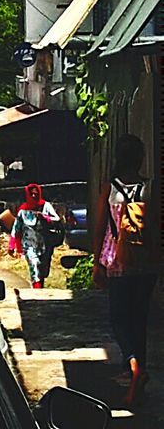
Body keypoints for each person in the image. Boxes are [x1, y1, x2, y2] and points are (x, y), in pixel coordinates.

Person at [92, 134, 158, 408]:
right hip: (146, 261)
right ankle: (136, 371)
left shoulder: (110, 189)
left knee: (119, 318)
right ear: (140, 158)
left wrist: (97, 261)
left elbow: (97, 227)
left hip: (118, 260)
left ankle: (133, 367)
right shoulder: (150, 188)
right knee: (139, 318)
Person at [8, 182, 61, 288]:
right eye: (31, 194)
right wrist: (11, 245)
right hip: (29, 245)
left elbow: (57, 219)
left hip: (45, 243)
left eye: (36, 194)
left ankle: (40, 284)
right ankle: (36, 289)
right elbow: (16, 228)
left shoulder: (46, 206)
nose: (33, 196)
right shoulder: (23, 211)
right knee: (34, 264)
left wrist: (46, 218)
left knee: (43, 268)